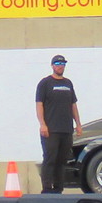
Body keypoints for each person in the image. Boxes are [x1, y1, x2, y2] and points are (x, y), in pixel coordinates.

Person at [36, 54, 82, 194]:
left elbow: (73, 105)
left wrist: (78, 124)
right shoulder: (45, 83)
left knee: (62, 160)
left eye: (62, 64)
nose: (60, 66)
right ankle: (47, 187)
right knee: (50, 158)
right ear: (52, 65)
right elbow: (39, 105)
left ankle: (58, 188)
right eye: (57, 63)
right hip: (51, 129)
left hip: (66, 129)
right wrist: (42, 124)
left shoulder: (68, 83)